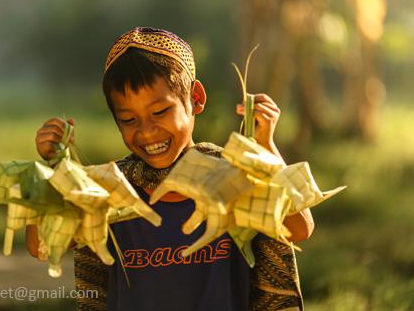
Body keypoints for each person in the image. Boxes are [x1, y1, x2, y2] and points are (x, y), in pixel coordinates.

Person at [26, 27, 313, 311]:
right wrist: (52, 167)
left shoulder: (232, 180)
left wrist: (265, 149)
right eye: (128, 119)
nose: (147, 132)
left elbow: (299, 227)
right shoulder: (110, 190)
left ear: (195, 98)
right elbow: (42, 246)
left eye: (160, 112)